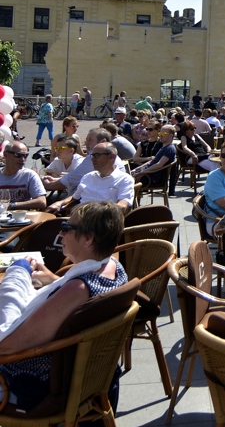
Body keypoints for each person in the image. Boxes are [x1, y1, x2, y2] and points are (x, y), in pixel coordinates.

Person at [0, 201, 127, 412]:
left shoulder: (78, 288)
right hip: (85, 375)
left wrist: (17, 273)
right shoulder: (113, 267)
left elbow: (6, 345)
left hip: (33, 384)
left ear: (88, 239)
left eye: (68, 228)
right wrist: (53, 281)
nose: (61, 231)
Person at [43, 129, 123, 202]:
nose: (86, 143)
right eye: (86, 140)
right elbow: (73, 178)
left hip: (93, 206)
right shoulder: (112, 157)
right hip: (94, 201)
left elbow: (68, 181)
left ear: (102, 142)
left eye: (90, 140)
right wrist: (54, 179)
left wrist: (46, 184)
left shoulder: (96, 158)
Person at [64, 143, 134, 213]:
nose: (92, 159)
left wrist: (94, 211)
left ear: (111, 156)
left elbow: (122, 206)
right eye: (92, 156)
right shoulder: (88, 177)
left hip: (103, 220)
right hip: (80, 218)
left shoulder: (125, 179)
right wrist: (60, 203)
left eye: (97, 155)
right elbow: (74, 198)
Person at [0, 142, 47, 211]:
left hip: (21, 217)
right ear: (5, 154)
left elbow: (42, 201)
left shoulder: (29, 175)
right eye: (18, 155)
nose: (22, 159)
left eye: (25, 155)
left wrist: (12, 205)